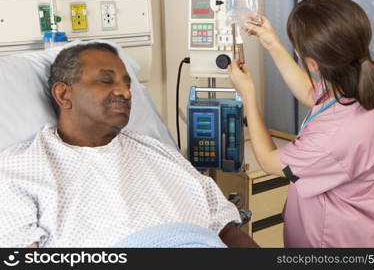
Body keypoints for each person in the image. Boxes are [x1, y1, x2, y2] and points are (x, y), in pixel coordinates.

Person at [0, 42, 258, 248]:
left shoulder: (159, 153)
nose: (126, 92)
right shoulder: (20, 170)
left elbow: (226, 229)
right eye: (106, 80)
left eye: (127, 83)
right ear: (64, 94)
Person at [228, 0, 374, 247]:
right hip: (367, 227)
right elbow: (313, 94)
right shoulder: (371, 74)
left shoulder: (331, 139)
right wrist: (272, 43)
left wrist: (248, 95)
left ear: (313, 64)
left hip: (332, 240)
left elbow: (268, 161)